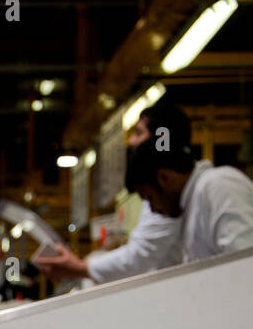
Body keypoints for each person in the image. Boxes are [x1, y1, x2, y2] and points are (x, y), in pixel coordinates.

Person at [32, 100, 189, 284]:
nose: (131, 141)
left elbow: (142, 253)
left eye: (138, 133)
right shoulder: (162, 190)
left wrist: (82, 268)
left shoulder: (173, 192)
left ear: (163, 138)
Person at [124, 133, 253, 263]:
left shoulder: (219, 186)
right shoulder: (193, 201)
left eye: (150, 198)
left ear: (164, 178)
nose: (153, 209)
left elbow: (245, 263)